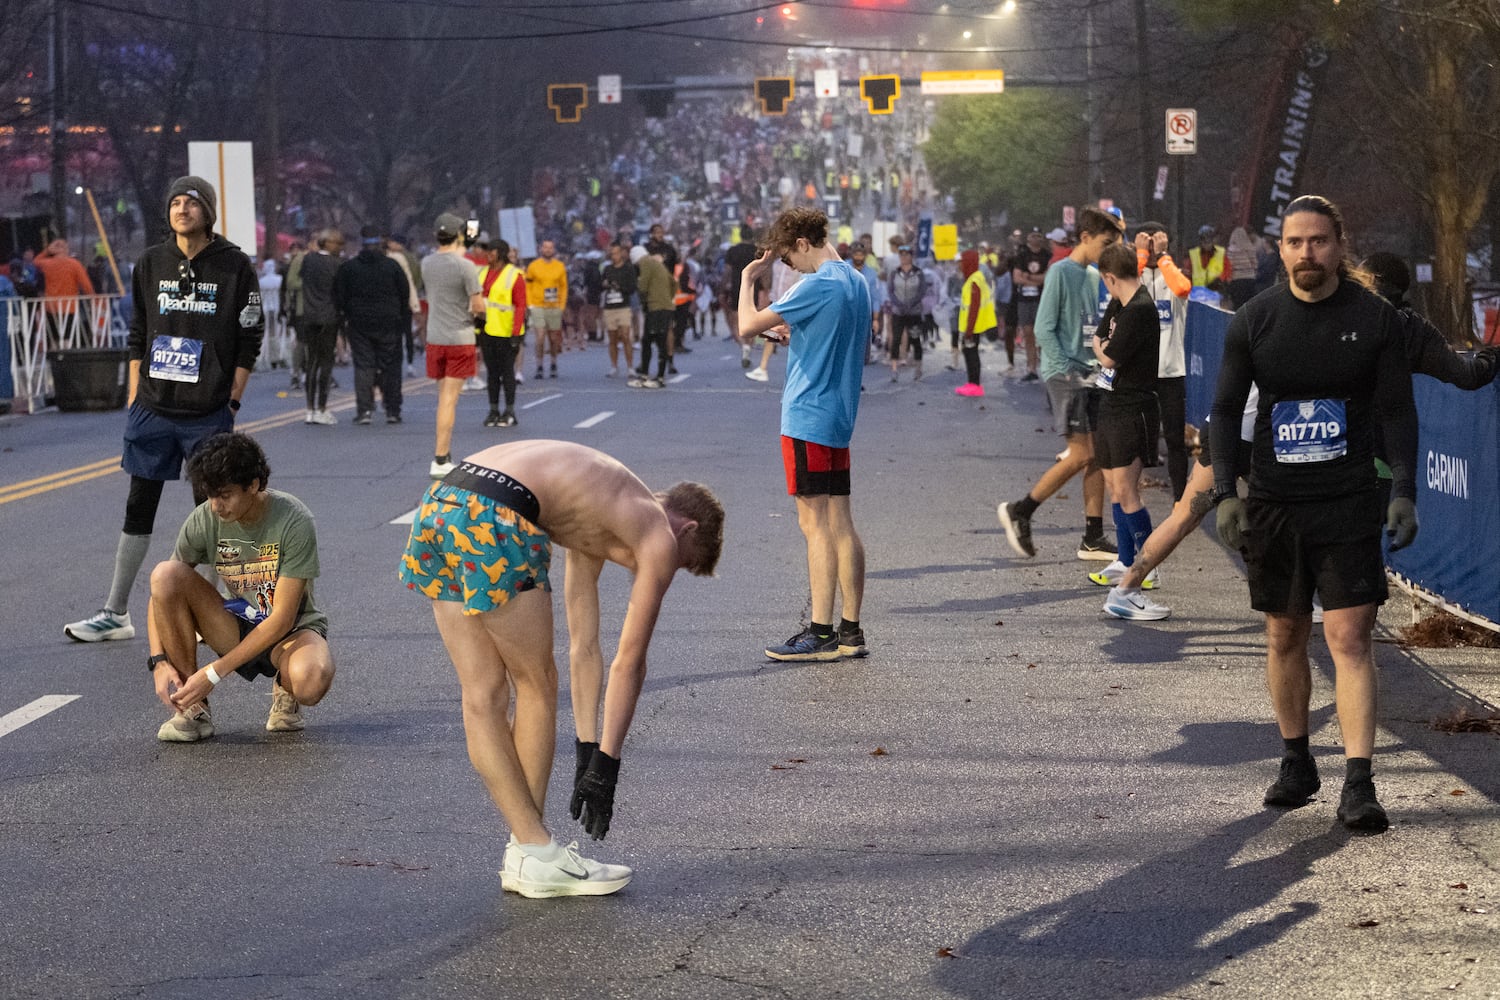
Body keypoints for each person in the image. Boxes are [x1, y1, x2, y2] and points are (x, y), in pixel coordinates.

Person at [398, 440, 723, 897]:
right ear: (686, 528)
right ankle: (536, 852)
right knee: (535, 683)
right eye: (683, 562)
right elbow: (630, 660)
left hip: (441, 501)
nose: (665, 569)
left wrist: (589, 747)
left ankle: (529, 850)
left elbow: (584, 646)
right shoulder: (658, 533)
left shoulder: (596, 510)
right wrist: (608, 766)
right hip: (498, 512)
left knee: (483, 693)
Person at [1209, 195, 1419, 833]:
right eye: (1296, 242)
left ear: (1339, 245)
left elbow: (1397, 412)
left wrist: (1405, 488)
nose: (1308, 253)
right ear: (1281, 249)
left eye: (1319, 241)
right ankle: (1297, 761)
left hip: (1349, 500)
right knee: (1284, 635)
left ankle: (1359, 783)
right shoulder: (1255, 320)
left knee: (1350, 639)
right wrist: (1225, 492)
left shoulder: (1374, 318)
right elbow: (1223, 411)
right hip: (1276, 503)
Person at [66, 176, 263, 644]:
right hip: (153, 407)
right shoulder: (151, 262)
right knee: (139, 505)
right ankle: (115, 612)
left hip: (209, 409)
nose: (181, 209)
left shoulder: (235, 265)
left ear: (207, 212)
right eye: (174, 202)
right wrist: (136, 391)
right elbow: (139, 328)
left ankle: (208, 613)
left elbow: (250, 336)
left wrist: (231, 398)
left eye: (191, 203)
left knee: (214, 509)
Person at [736, 207, 872, 661]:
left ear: (801, 244)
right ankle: (851, 631)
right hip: (839, 414)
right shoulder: (855, 280)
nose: (789, 270)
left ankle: (820, 633)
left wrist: (747, 279)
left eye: (788, 261)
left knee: (813, 526)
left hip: (807, 415)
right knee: (842, 523)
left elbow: (745, 327)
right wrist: (796, 339)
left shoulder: (816, 284)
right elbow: (837, 338)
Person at [146, 432, 334, 741]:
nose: (216, 506)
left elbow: (282, 619)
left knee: (311, 679)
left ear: (255, 485)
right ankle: (193, 709)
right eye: (209, 495)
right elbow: (161, 592)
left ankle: (285, 689)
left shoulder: (293, 520)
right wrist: (159, 662)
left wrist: (213, 673)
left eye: (225, 495)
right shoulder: (204, 518)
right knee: (166, 573)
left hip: (290, 631)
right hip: (237, 620)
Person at [997, 207, 1123, 562]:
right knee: (1082, 453)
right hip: (1066, 375)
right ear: (1085, 238)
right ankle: (1021, 510)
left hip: (1091, 373)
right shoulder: (1060, 271)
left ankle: (1093, 536)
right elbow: (1043, 329)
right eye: (1105, 242)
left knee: (1096, 454)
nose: (1110, 249)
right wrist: (1069, 369)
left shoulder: (1095, 275)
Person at [1085, 242, 1161, 592]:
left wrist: (1101, 349)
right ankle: (1126, 560)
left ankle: (1148, 565)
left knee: (1128, 491)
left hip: (1134, 408)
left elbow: (1108, 356)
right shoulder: (1120, 303)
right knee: (1115, 489)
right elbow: (1101, 337)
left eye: (1105, 281)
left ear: (1110, 277)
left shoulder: (1141, 309)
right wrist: (1102, 347)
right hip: (1111, 404)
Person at [419, 213, 484, 478]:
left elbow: (455, 249)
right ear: (459, 235)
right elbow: (478, 305)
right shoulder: (465, 266)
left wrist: (463, 233)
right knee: (450, 401)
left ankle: (442, 454)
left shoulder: (426, 263)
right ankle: (441, 457)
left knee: (441, 400)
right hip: (460, 337)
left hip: (435, 336)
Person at [1135, 223, 1192, 501]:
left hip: (1171, 372)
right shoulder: (1136, 276)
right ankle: (1130, 498)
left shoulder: (1173, 276)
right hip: (1140, 373)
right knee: (1135, 440)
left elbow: (1182, 288)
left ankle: (1180, 499)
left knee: (1174, 440)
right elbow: (1121, 293)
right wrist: (1140, 255)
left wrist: (1163, 255)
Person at [334, 225, 411, 426]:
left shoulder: (349, 268)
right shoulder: (392, 266)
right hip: (389, 321)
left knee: (364, 366)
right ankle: (392, 409)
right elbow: (404, 294)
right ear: (380, 243)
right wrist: (401, 317)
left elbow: (339, 297)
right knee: (391, 367)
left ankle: (365, 409)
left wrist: (347, 315)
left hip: (359, 322)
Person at [293, 229, 345, 422]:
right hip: (329, 317)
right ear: (331, 244)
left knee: (311, 362)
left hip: (309, 316)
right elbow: (340, 292)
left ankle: (309, 409)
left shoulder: (308, 260)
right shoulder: (338, 264)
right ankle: (322, 408)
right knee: (326, 364)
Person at [477, 238, 527, 428]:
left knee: (507, 373)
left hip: (507, 332)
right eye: (486, 251)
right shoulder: (482, 273)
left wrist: (516, 333)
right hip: (487, 329)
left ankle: (510, 410)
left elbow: (520, 305)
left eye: (491, 251)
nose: (487, 254)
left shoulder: (514, 275)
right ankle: (493, 409)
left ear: (501, 253)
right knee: (491, 373)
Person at [630, 245, 674, 389]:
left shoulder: (646, 263)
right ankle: (654, 375)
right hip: (665, 306)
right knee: (656, 340)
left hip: (655, 308)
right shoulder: (658, 264)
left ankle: (652, 377)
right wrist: (667, 297)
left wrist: (644, 297)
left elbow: (643, 286)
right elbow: (673, 283)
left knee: (651, 341)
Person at [1010, 228, 1051, 382]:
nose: (1036, 238)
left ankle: (1045, 365)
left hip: (1042, 299)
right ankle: (1031, 367)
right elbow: (1017, 278)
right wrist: (1034, 280)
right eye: (1033, 235)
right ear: (1028, 238)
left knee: (1043, 334)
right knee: (1028, 333)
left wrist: (1028, 276)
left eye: (1039, 236)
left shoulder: (1047, 255)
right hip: (1024, 299)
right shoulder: (1022, 255)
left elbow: (1048, 277)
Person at [954, 249, 995, 397]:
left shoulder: (974, 280)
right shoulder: (974, 278)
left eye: (961, 262)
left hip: (973, 326)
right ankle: (972, 383)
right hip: (972, 326)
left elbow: (974, 307)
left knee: (971, 354)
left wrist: (969, 331)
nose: (959, 265)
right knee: (969, 353)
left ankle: (975, 385)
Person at [526, 239, 568, 379]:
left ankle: (554, 362)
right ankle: (539, 365)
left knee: (554, 338)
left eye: (550, 247)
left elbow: (563, 287)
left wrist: (562, 305)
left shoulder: (560, 266)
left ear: (553, 249)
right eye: (545, 247)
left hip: (554, 305)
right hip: (538, 305)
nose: (548, 250)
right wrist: (530, 303)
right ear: (541, 249)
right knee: (540, 336)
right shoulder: (533, 266)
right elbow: (528, 285)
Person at [886, 244, 927, 382]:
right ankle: (894, 369)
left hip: (914, 312)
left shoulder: (919, 273)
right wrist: (898, 304)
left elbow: (922, 291)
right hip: (898, 311)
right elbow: (890, 291)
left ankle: (918, 368)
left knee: (915, 339)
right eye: (901, 255)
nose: (904, 257)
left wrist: (911, 303)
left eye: (906, 254)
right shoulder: (894, 272)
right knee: (896, 339)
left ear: (911, 256)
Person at [600, 241, 637, 378]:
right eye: (611, 254)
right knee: (612, 338)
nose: (613, 256)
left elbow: (632, 288)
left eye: (616, 253)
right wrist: (604, 284)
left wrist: (619, 286)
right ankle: (614, 366)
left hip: (623, 307)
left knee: (626, 336)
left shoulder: (628, 269)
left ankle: (630, 366)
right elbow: (601, 285)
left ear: (621, 253)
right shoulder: (607, 269)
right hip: (610, 307)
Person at [1187, 224, 1230, 297]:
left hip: (1216, 292)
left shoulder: (1220, 253)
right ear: (1200, 241)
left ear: (1213, 240)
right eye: (1204, 241)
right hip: (1197, 292)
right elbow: (1188, 271)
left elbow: (1227, 269)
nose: (1207, 244)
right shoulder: (1194, 254)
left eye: (1209, 241)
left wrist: (1220, 279)